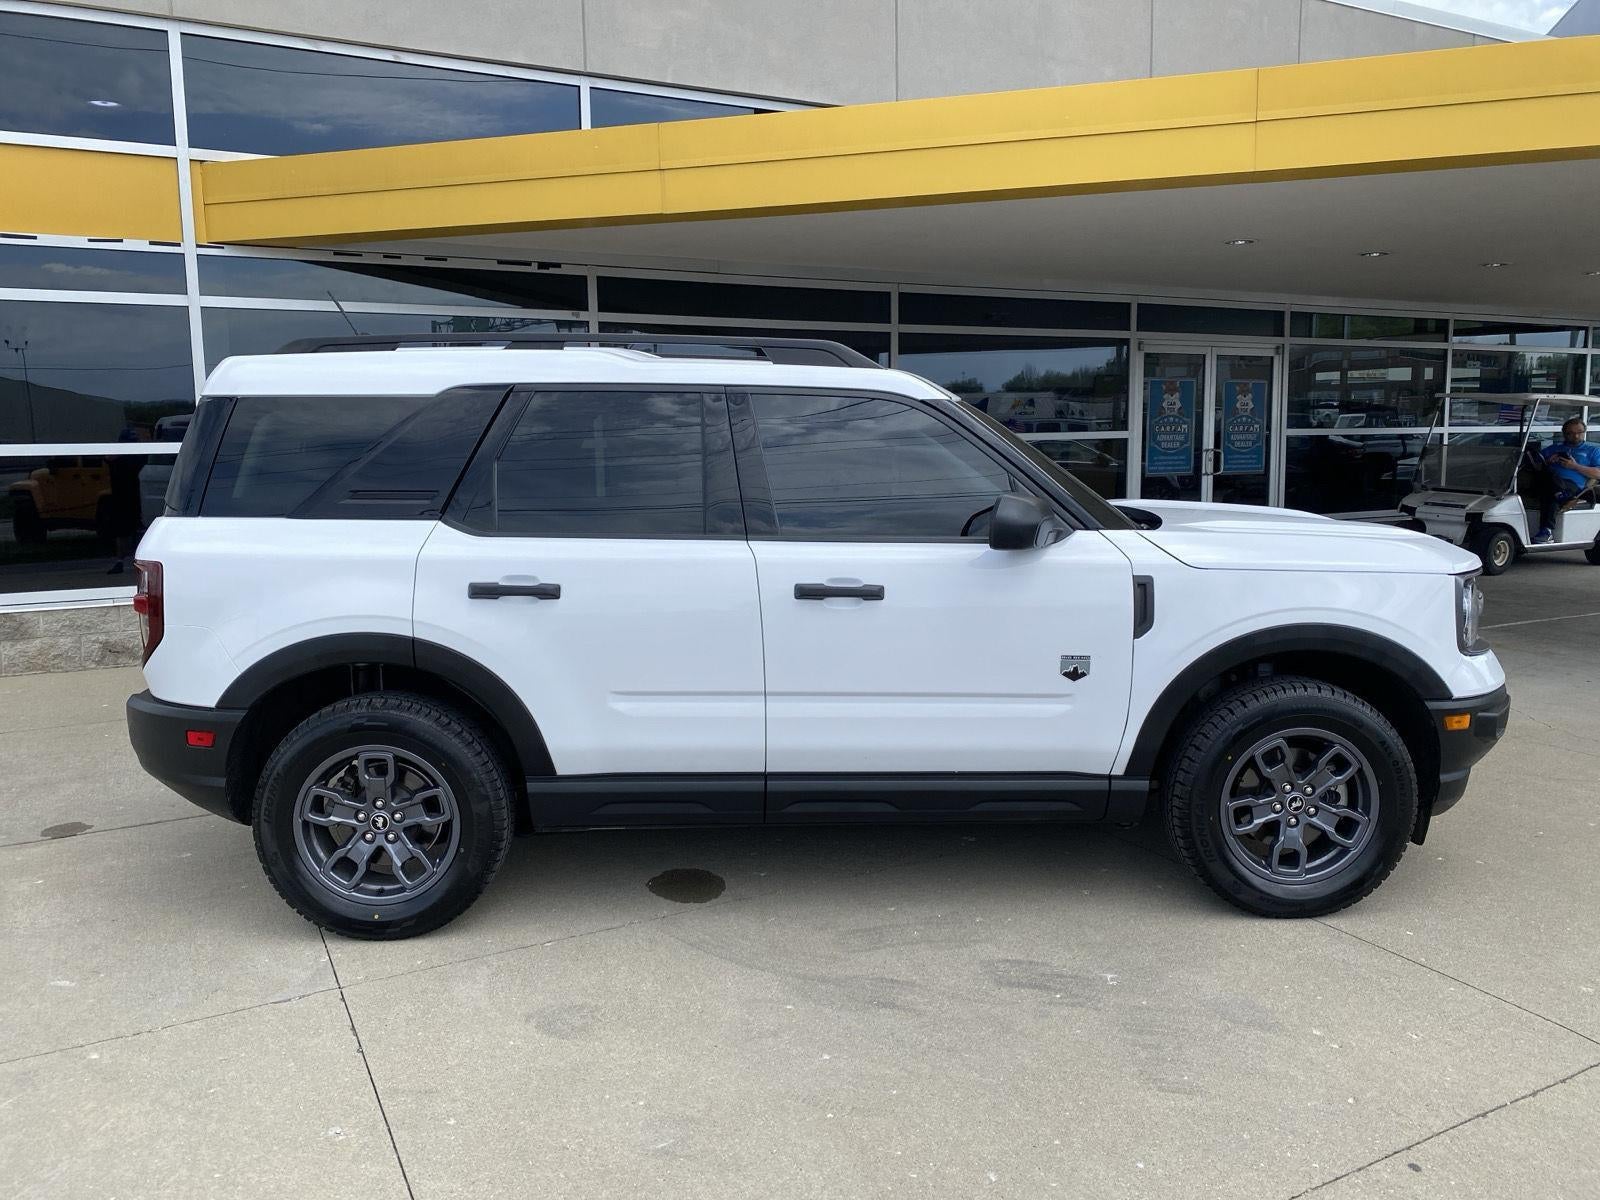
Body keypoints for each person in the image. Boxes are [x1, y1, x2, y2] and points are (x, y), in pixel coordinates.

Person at [1534, 417, 1600, 543]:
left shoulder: (1593, 451)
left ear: (1584, 432)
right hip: (1549, 483)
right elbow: (1535, 463)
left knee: (1549, 494)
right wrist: (1547, 461)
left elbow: (1598, 474)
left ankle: (1546, 530)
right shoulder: (1554, 448)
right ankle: (1559, 495)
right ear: (1564, 434)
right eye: (1571, 433)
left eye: (1579, 432)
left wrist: (1574, 466)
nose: (1575, 436)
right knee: (1549, 475)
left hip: (1572, 485)